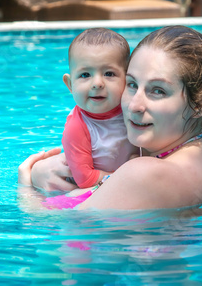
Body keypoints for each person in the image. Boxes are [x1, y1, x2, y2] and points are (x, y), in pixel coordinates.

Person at [18, 25, 202, 210]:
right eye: (132, 84)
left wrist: (27, 185)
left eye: (158, 91)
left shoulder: (143, 175)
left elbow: (54, 226)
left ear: (200, 104)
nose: (134, 105)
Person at [21, 28, 137, 189]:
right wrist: (129, 176)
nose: (97, 83)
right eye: (85, 75)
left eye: (109, 73)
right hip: (88, 189)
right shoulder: (77, 127)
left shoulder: (134, 111)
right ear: (70, 84)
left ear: (128, 79)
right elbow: (85, 179)